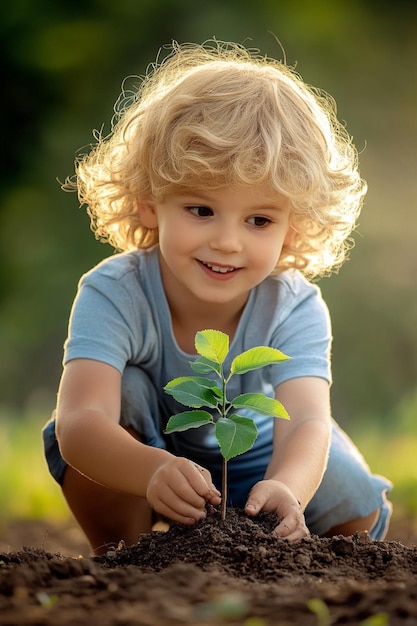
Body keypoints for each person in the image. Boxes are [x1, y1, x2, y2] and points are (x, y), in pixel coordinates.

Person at [42, 40, 392, 555]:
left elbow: (311, 418)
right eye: (201, 210)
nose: (228, 241)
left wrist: (287, 488)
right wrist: (153, 470)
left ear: (292, 229)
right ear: (148, 203)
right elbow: (79, 423)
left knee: (347, 491)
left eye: (259, 219)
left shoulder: (293, 304)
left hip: (258, 461)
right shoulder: (115, 290)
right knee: (125, 397)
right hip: (151, 456)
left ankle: (298, 552)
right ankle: (129, 557)